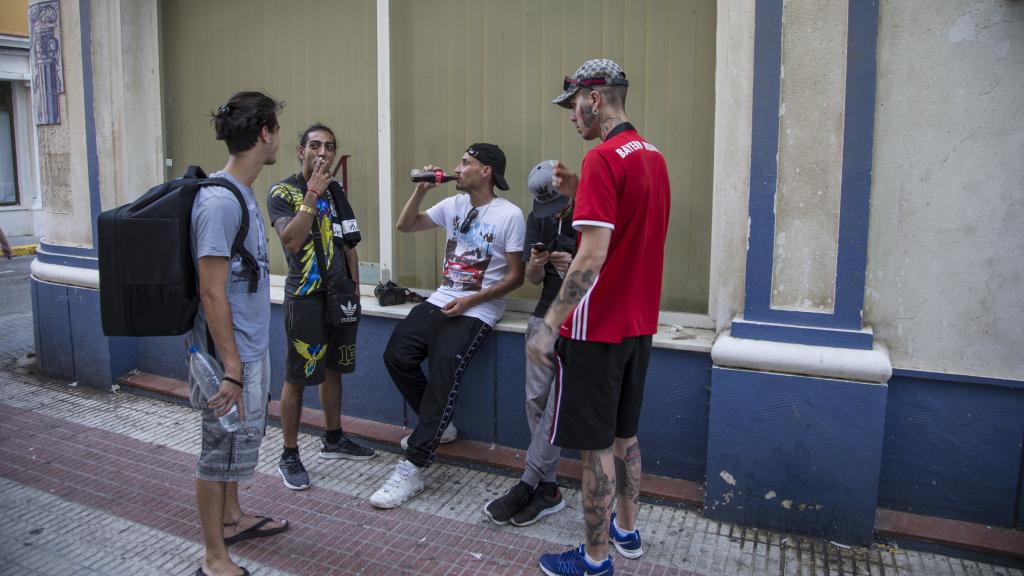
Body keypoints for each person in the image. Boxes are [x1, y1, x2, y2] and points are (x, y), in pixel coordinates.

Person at [529, 59, 671, 576]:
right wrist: (576, 195)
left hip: (596, 328)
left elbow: (590, 256)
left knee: (594, 450)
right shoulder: (651, 156)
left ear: (595, 97)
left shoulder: (603, 159)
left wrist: (549, 324)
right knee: (625, 437)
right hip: (639, 323)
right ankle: (627, 533)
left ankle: (593, 560)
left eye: (573, 104)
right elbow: (632, 227)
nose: (571, 116)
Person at [370, 143, 525, 509]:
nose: (457, 168)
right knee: (397, 355)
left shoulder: (509, 214)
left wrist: (473, 300)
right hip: (443, 297)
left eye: (465, 163)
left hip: (478, 308)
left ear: (486, 171)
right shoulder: (453, 205)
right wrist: (420, 189)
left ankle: (414, 466)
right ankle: (439, 426)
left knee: (443, 370)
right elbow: (405, 225)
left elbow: (517, 277)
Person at [189, 91, 289, 576]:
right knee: (217, 450)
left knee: (235, 448)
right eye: (278, 129)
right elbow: (211, 292)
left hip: (247, 348)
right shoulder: (218, 201)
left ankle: (232, 517)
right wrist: (231, 370)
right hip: (230, 358)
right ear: (265, 132)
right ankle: (213, 557)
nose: (279, 139)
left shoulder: (241, 194)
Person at [268, 123, 376, 491]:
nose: (323, 152)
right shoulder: (282, 191)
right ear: (301, 151)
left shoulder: (338, 191)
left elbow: (349, 244)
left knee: (334, 369)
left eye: (329, 146)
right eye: (315, 145)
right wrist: (312, 194)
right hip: (306, 297)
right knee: (298, 376)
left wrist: (356, 291)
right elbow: (293, 241)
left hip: (340, 294)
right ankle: (289, 453)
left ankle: (333, 438)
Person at [484, 160, 576, 527]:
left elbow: (604, 279)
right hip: (542, 317)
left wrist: (575, 266)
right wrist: (538, 263)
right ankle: (549, 490)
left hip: (576, 321)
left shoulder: (592, 216)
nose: (555, 215)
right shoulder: (538, 218)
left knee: (555, 409)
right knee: (534, 402)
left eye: (559, 205)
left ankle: (527, 483)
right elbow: (532, 279)